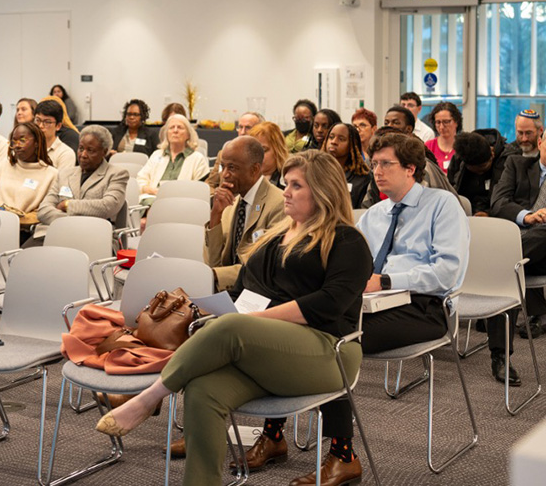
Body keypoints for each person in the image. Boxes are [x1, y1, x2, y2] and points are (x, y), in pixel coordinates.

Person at [94, 151, 373, 486]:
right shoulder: (275, 236)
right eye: (286, 183)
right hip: (266, 350)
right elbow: (245, 287)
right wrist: (234, 311)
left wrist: (256, 320)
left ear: (323, 191)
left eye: (297, 185)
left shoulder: (346, 240)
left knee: (230, 326)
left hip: (328, 352)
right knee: (202, 389)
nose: (285, 191)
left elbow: (329, 303)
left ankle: (149, 398)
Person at [221, 132, 468, 485]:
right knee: (302, 326)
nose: (377, 172)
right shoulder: (375, 214)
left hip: (425, 307)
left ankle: (342, 454)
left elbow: (448, 272)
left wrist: (385, 281)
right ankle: (275, 435)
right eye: (374, 164)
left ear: (412, 168)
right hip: (367, 302)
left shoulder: (443, 206)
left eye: (386, 164)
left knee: (330, 335)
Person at [204, 136, 285, 291]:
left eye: (232, 168)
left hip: (257, 294)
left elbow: (260, 270)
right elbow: (213, 262)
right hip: (226, 290)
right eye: (223, 167)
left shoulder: (279, 204)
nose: (225, 175)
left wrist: (215, 275)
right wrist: (215, 217)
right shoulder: (228, 204)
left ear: (254, 170)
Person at [491, 131, 546, 342]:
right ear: (540, 143)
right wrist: (529, 216)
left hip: (541, 248)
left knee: (504, 264)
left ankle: (495, 264)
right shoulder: (517, 164)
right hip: (518, 241)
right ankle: (500, 354)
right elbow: (498, 203)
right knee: (511, 267)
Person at [34, 126, 130, 240]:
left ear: (104, 152)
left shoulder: (117, 174)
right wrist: (73, 222)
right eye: (80, 148)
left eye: (90, 150)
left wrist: (67, 205)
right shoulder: (65, 174)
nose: (83, 155)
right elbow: (44, 210)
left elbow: (107, 206)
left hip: (94, 236)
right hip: (55, 231)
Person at [0, 123, 57, 227]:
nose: (17, 145)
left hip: (25, 229)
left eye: (22, 141)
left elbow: (43, 211)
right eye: (14, 141)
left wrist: (16, 219)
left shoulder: (51, 174)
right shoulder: (5, 164)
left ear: (36, 143)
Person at [137, 114, 209, 198]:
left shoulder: (197, 158)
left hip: (183, 202)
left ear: (188, 134)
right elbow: (141, 179)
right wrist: (150, 190)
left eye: (180, 127)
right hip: (153, 199)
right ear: (167, 133)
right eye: (171, 128)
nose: (175, 130)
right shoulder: (156, 155)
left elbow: (199, 190)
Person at [447, 130, 510, 216]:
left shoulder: (508, 159)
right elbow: (450, 188)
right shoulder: (458, 159)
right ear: (466, 165)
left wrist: (489, 213)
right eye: (476, 169)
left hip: (498, 215)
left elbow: (513, 198)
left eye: (483, 167)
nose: (480, 172)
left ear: (492, 155)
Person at [207, 112, 264, 191]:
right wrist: (216, 194)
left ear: (259, 131)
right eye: (240, 127)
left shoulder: (262, 158)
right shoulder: (223, 155)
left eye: (248, 128)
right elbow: (210, 184)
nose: (243, 132)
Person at [324, 122, 371, 209]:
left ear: (352, 145)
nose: (333, 142)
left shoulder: (363, 178)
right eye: (331, 137)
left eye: (341, 139)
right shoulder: (316, 170)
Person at [34, 99, 76, 170]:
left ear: (58, 126)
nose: (41, 125)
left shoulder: (65, 153)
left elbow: (61, 180)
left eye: (47, 122)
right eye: (38, 120)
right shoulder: (28, 147)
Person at [249, 121, 288, 189]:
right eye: (253, 150)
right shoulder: (241, 178)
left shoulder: (288, 181)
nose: (257, 155)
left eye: (264, 150)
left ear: (278, 151)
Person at [426, 101, 463, 173]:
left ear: (456, 122)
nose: (442, 127)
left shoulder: (463, 147)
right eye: (438, 122)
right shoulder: (428, 146)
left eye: (446, 122)